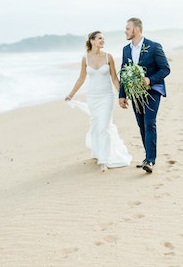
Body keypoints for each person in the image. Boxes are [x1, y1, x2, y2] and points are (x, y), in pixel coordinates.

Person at [65, 31, 132, 172]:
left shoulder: (108, 57)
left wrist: (122, 95)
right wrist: (70, 95)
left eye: (103, 39)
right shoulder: (85, 58)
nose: (103, 41)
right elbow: (81, 78)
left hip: (107, 96)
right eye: (100, 38)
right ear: (92, 41)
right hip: (93, 98)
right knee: (95, 126)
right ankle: (97, 153)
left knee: (104, 126)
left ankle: (104, 160)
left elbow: (114, 78)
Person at [119, 17, 170, 174]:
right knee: (141, 125)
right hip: (135, 95)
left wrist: (150, 79)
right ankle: (147, 157)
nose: (125, 31)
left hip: (153, 91)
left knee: (149, 123)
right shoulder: (126, 50)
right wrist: (122, 95)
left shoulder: (154, 47)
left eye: (128, 28)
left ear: (136, 29)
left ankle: (150, 160)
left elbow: (165, 69)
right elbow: (123, 73)